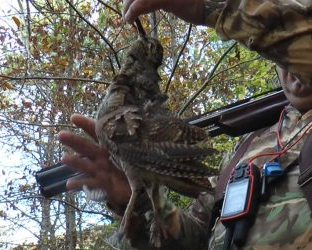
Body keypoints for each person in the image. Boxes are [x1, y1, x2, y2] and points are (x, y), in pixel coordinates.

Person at [58, 0, 312, 249]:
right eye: (280, 59)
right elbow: (196, 237)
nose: (289, 69)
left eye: (287, 51)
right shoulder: (244, 153)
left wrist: (208, 7)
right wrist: (138, 201)